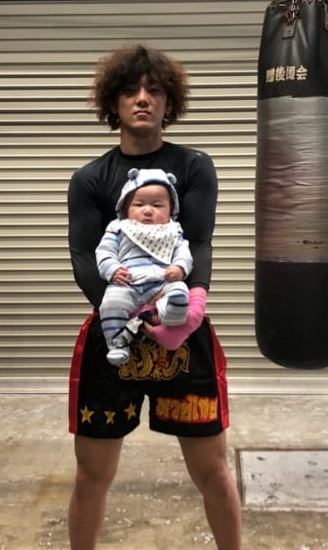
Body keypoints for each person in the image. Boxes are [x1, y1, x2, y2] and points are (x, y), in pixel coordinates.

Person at [67, 42, 242, 550]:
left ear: (169, 101)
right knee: (91, 474)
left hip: (182, 330)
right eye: (130, 90)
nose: (142, 98)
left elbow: (200, 243)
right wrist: (127, 317)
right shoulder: (90, 179)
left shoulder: (194, 167)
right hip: (115, 333)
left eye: (154, 90)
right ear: (113, 101)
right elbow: (85, 259)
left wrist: (191, 308)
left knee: (212, 470)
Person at [97, 167, 193, 366]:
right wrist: (112, 270)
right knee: (110, 304)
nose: (148, 210)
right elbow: (104, 252)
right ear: (125, 208)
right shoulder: (118, 227)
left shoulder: (173, 230)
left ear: (171, 210)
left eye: (157, 205)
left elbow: (184, 253)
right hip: (128, 283)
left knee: (180, 289)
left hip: (161, 281)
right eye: (139, 204)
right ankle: (117, 344)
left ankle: (171, 312)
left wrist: (179, 268)